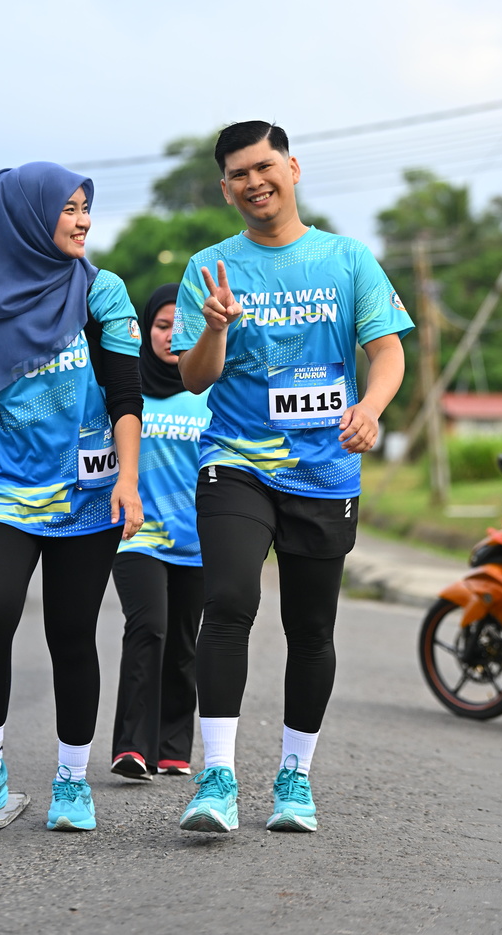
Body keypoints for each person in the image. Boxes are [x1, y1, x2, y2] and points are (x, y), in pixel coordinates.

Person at [171, 121, 415, 833]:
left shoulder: (347, 259)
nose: (254, 182)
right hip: (237, 461)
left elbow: (387, 351)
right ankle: (217, 778)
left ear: (292, 168)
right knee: (228, 599)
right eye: (238, 174)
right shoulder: (210, 269)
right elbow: (193, 378)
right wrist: (215, 326)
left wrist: (370, 408)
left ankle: (294, 778)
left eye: (264, 166)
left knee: (311, 626)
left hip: (325, 468)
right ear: (225, 190)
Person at [0, 161, 143, 832]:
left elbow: (126, 395)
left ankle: (72, 783)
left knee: (71, 633)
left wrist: (128, 479)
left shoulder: (101, 292)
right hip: (9, 492)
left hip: (88, 494)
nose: (83, 221)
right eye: (68, 209)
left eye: (85, 208)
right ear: (26, 219)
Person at [110, 284, 211, 781]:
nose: (171, 336)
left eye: (182, 326)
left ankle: (172, 747)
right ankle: (131, 747)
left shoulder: (211, 390)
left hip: (197, 539)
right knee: (148, 626)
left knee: (184, 643)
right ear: (146, 329)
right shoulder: (127, 389)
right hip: (137, 535)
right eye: (162, 325)